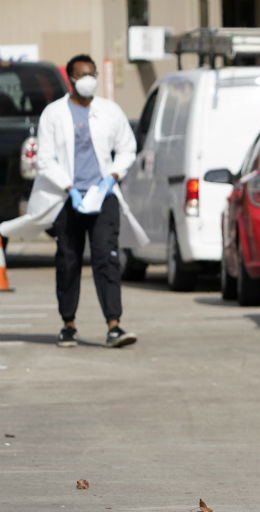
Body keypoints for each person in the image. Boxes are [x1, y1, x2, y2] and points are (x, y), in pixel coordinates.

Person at [19, 55, 141, 348]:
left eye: (92, 73)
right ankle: (68, 323)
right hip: (68, 198)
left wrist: (112, 176)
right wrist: (69, 187)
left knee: (106, 259)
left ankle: (114, 325)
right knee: (68, 260)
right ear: (71, 80)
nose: (88, 79)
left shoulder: (110, 111)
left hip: (103, 196)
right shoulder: (53, 114)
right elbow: (45, 160)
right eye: (82, 74)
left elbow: (127, 148)